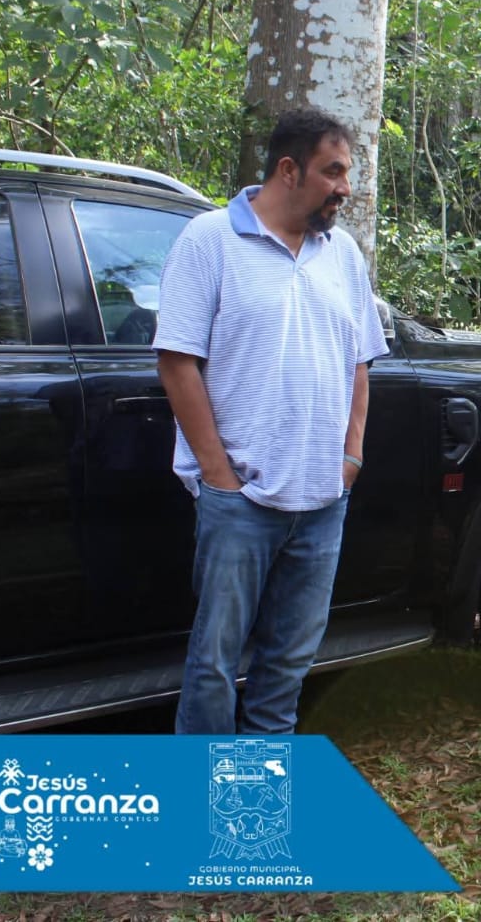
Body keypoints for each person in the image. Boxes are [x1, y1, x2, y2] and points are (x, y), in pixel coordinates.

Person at [154, 107, 388, 734]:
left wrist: (350, 459)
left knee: (287, 667)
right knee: (214, 664)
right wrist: (218, 476)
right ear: (289, 170)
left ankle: (254, 814)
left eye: (347, 173)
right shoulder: (209, 239)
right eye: (333, 172)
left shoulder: (341, 255)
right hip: (242, 501)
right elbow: (177, 363)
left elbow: (359, 363)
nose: (346, 187)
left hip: (322, 502)